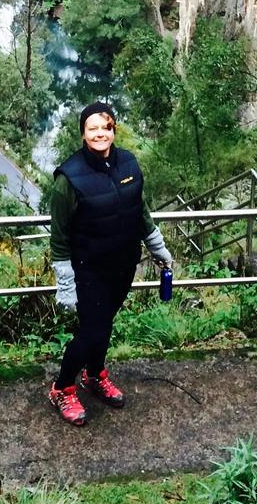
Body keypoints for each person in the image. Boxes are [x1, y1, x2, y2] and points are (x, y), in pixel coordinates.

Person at [48, 100, 172, 426]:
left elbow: (140, 212)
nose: (100, 133)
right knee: (91, 330)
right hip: (88, 268)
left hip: (123, 263)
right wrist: (65, 284)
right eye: (93, 128)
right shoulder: (68, 179)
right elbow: (59, 237)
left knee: (105, 324)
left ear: (114, 130)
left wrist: (158, 249)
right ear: (83, 134)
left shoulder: (129, 164)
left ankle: (94, 374)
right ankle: (62, 387)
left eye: (106, 127)